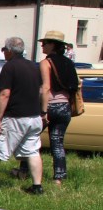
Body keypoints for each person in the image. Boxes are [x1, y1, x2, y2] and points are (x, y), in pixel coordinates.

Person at [0, 36, 44, 194]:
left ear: (10, 51)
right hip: (34, 117)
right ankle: (37, 186)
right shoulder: (33, 66)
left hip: (14, 117)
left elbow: (5, 94)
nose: (3, 52)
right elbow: (41, 91)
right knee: (33, 151)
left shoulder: (9, 67)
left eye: (4, 49)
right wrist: (41, 111)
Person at [38, 30, 79, 186]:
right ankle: (58, 178)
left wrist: (43, 112)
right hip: (65, 107)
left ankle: (25, 171)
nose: (42, 46)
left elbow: (46, 88)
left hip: (50, 105)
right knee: (57, 141)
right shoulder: (69, 63)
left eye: (45, 43)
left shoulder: (46, 63)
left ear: (53, 45)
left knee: (31, 139)